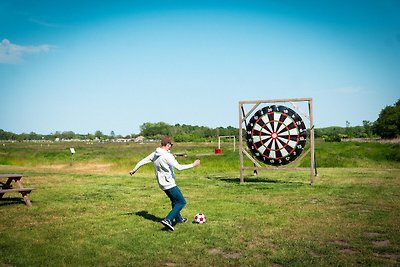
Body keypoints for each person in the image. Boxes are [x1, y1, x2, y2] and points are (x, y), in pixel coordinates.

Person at [129, 136, 201, 231]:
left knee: (175, 201)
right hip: (169, 183)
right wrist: (193, 165)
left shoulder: (155, 154)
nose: (171, 147)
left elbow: (143, 161)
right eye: (171, 145)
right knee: (181, 202)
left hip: (162, 184)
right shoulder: (167, 156)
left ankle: (179, 219)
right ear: (167, 145)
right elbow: (179, 167)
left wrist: (134, 170)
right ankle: (168, 220)